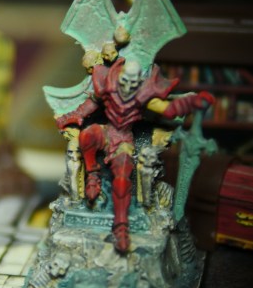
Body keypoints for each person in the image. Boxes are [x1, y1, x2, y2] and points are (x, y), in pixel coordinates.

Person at [55, 57, 213, 253]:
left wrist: (193, 102)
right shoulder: (108, 87)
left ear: (139, 82)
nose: (128, 87)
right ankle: (93, 175)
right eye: (125, 81)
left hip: (123, 140)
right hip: (107, 132)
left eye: (133, 82)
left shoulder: (143, 96)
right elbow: (90, 105)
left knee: (122, 179)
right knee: (87, 135)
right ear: (119, 77)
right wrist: (70, 117)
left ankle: (121, 228)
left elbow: (169, 110)